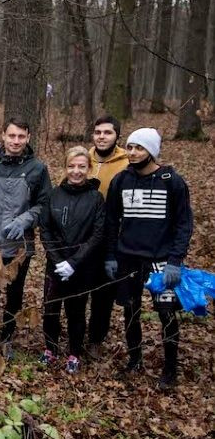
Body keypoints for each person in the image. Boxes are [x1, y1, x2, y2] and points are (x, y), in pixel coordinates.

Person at [105, 128, 193, 390]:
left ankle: (169, 370)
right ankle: (134, 360)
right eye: (130, 147)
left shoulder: (172, 182)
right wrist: (111, 255)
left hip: (161, 260)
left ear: (152, 151)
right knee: (130, 311)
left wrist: (175, 260)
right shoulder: (121, 181)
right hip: (128, 258)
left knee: (166, 314)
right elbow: (111, 222)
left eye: (139, 148)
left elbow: (183, 224)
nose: (132, 153)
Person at [0, 117, 52, 359]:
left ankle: (6, 339)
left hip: (20, 247)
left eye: (21, 137)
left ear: (28, 138)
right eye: (12, 136)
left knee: (14, 295)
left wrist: (25, 220)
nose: (16, 141)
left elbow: (45, 204)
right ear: (3, 135)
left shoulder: (38, 169)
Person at [39, 147, 105, 375]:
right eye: (72, 166)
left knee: (76, 311)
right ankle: (50, 348)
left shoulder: (96, 198)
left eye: (81, 167)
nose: (76, 171)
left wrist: (74, 262)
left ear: (88, 168)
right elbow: (45, 230)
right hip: (55, 265)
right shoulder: (54, 195)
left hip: (82, 267)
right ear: (65, 167)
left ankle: (74, 352)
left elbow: (97, 234)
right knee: (50, 310)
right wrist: (58, 260)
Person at [84, 115, 128, 358]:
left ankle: (96, 339)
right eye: (98, 131)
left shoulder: (126, 164)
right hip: (82, 236)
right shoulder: (83, 159)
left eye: (107, 132)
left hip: (112, 239)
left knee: (103, 294)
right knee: (80, 289)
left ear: (116, 136)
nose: (101, 136)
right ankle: (76, 337)